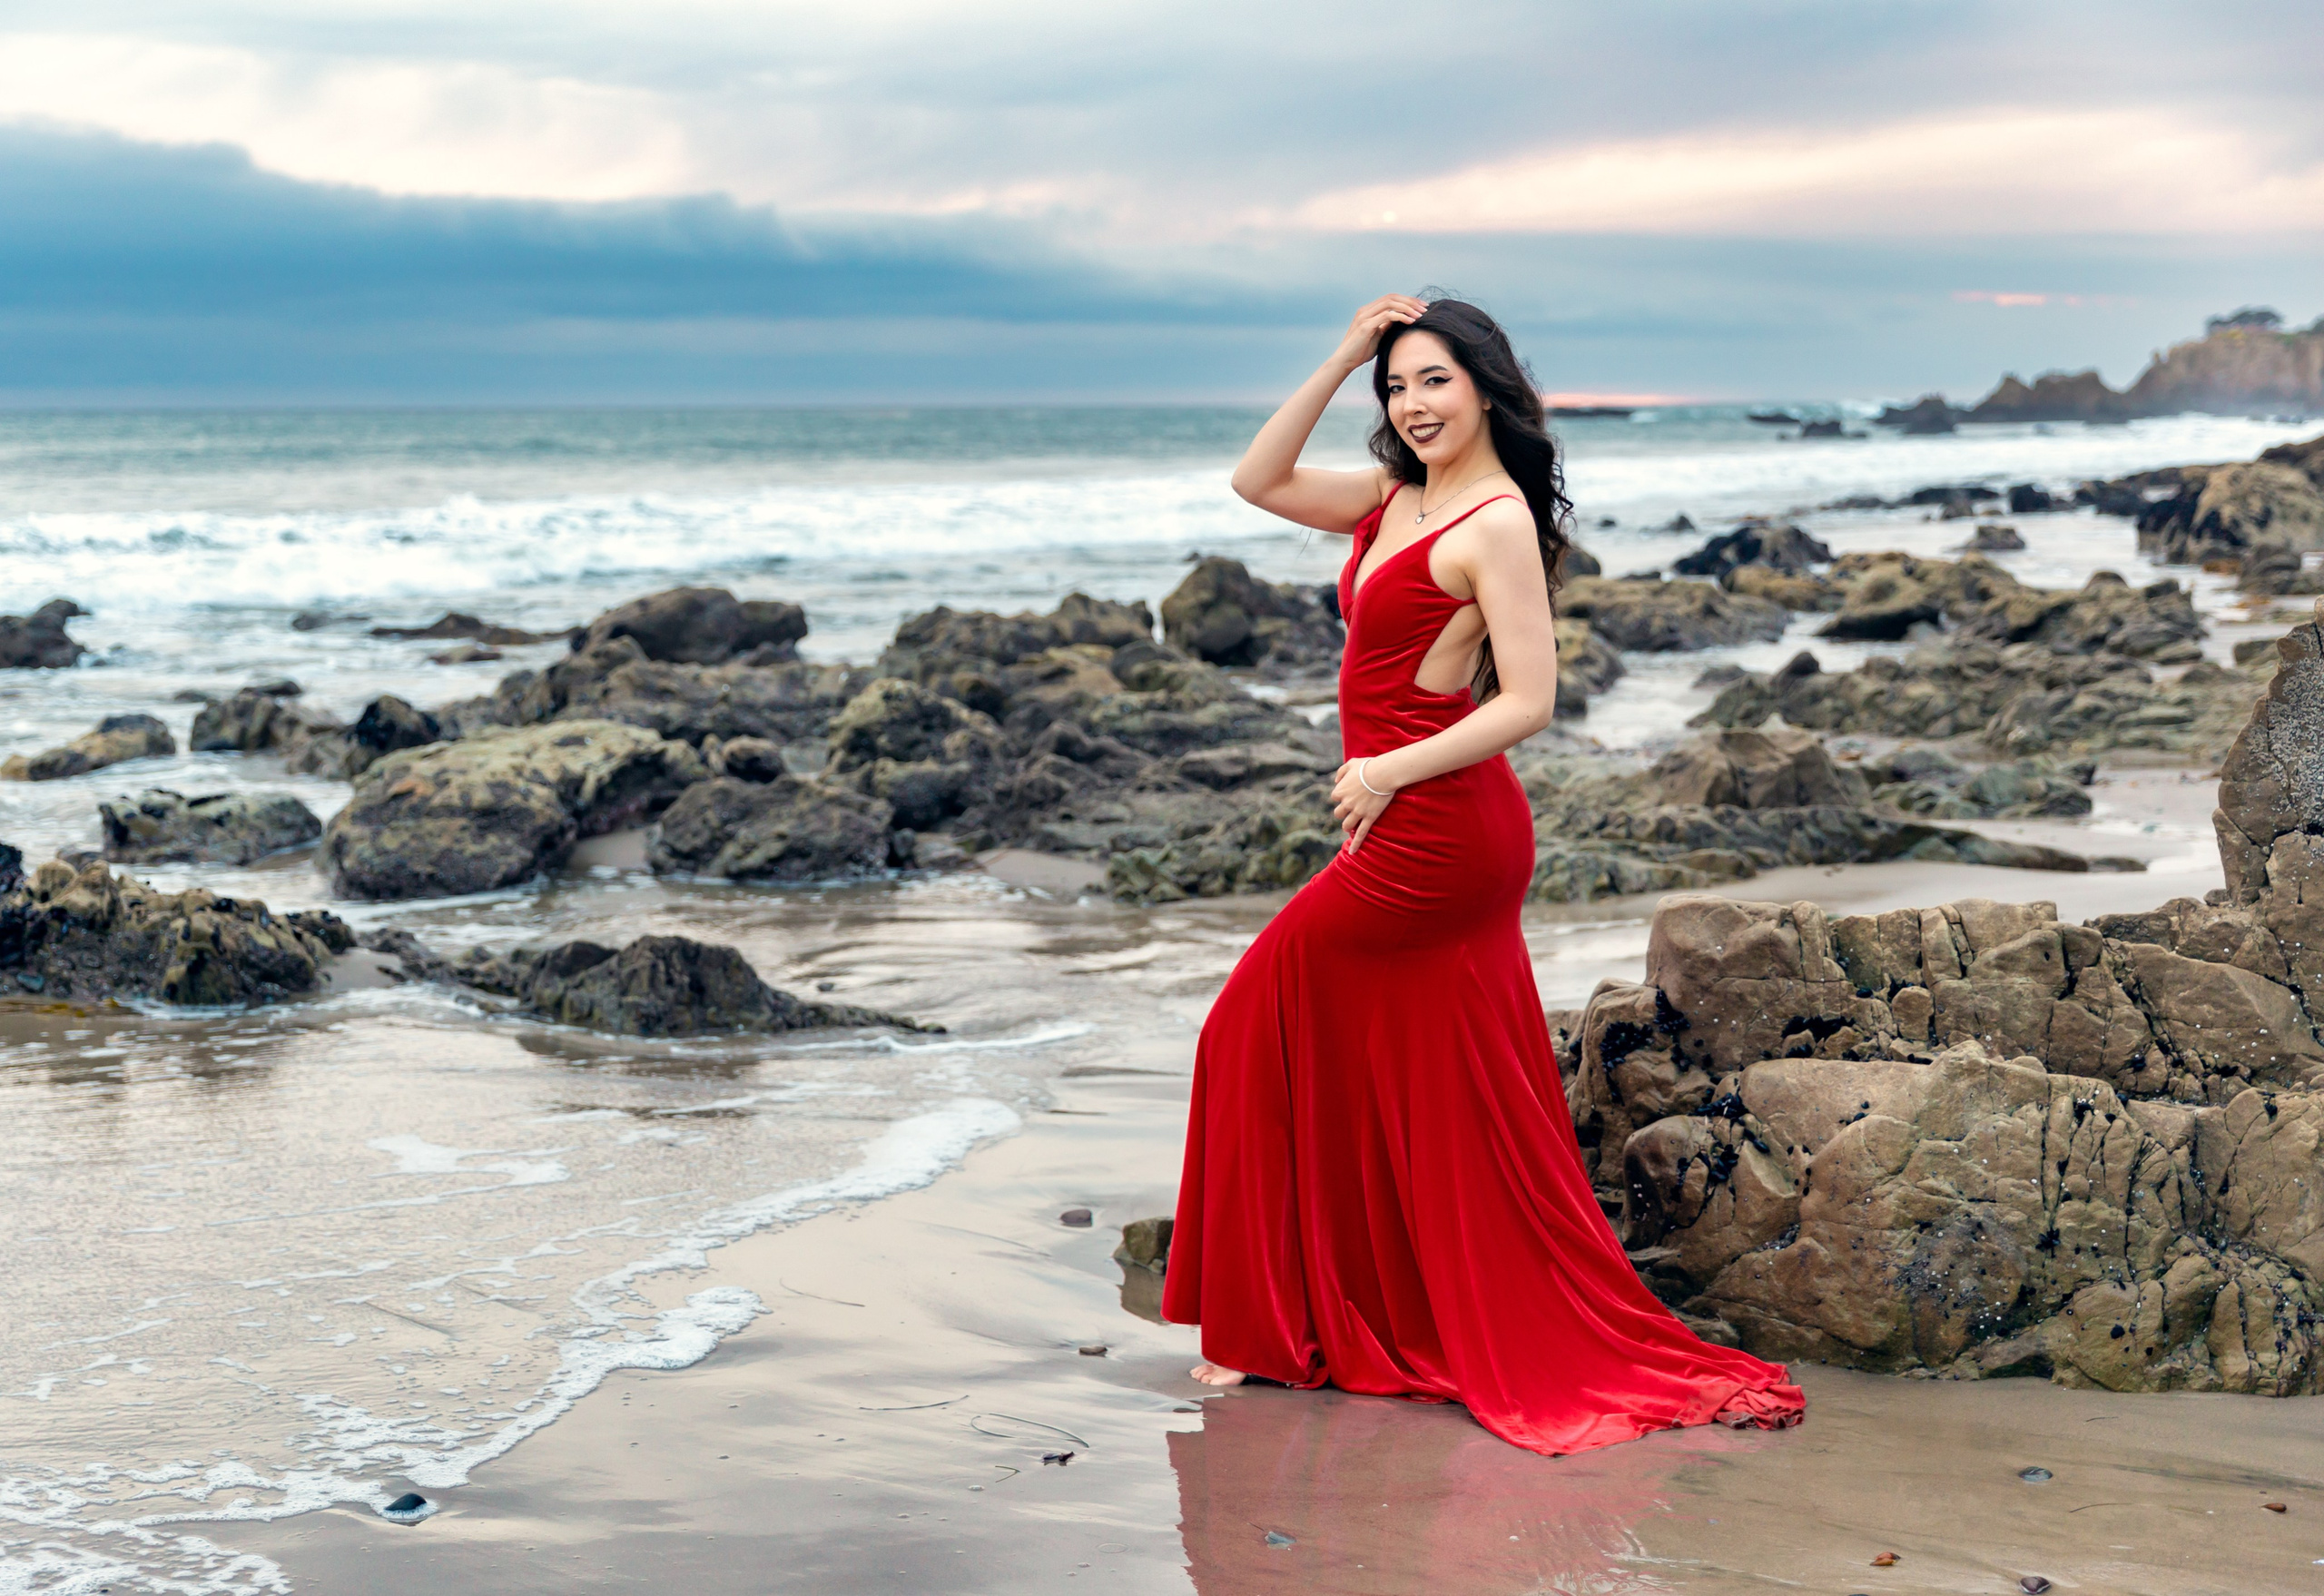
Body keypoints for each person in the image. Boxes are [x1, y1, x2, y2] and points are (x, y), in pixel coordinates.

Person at [1159, 293, 1805, 1455]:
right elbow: (1255, 480)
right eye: (1396, 387)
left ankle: (1282, 1323)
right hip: (1398, 816)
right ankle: (1328, 1316)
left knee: (1249, 1023)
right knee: (1392, 1069)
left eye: (1433, 383)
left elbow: (1530, 700)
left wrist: (1386, 767)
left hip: (1441, 831)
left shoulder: (1494, 522)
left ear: (1486, 386)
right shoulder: (1393, 498)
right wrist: (1344, 352)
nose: (1411, 406)